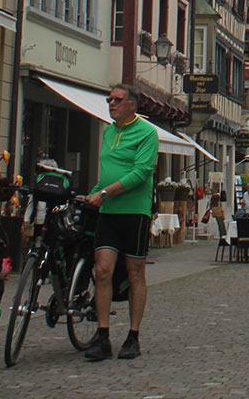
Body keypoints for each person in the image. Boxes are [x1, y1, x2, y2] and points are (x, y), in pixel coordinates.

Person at [81, 83, 158, 361]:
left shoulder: (147, 133)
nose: (111, 104)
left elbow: (141, 173)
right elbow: (107, 172)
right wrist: (94, 192)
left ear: (132, 104)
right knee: (102, 271)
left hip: (135, 211)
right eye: (109, 99)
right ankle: (103, 336)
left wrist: (104, 193)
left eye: (117, 100)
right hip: (108, 212)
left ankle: (133, 336)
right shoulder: (108, 132)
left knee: (135, 272)